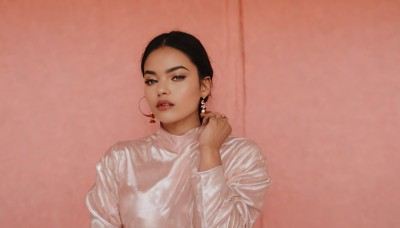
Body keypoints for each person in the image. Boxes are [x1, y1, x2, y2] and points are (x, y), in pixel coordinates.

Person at [86, 31, 271, 228]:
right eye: (151, 80)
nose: (161, 89)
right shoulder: (120, 160)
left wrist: (209, 151)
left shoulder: (241, 156)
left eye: (177, 77)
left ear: (204, 86)